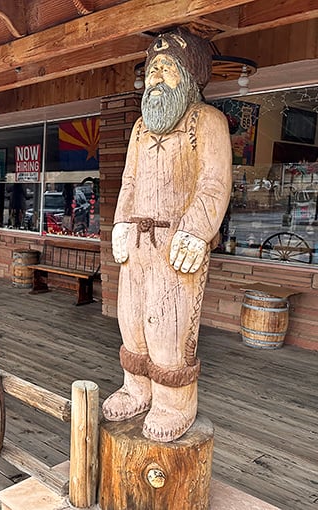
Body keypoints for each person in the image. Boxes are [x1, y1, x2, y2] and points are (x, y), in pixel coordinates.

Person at [102, 28, 232, 442]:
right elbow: (128, 181)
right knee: (133, 319)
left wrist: (196, 230)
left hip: (177, 246)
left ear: (188, 77)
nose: (155, 77)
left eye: (166, 69)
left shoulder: (206, 121)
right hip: (138, 243)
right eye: (152, 69)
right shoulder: (140, 129)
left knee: (168, 325)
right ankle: (137, 387)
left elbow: (214, 181)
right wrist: (121, 222)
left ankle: (174, 403)